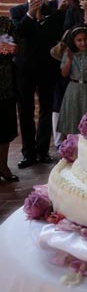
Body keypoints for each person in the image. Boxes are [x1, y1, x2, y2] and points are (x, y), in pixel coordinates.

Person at [10, 0, 62, 168]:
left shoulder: (52, 11)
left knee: (47, 110)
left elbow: (55, 35)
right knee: (25, 111)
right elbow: (17, 34)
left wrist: (42, 20)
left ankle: (42, 150)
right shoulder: (17, 11)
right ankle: (28, 153)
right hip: (24, 69)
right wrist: (31, 16)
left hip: (47, 67)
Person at [48, 0, 79, 149]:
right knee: (59, 99)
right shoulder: (52, 5)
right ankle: (60, 143)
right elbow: (49, 32)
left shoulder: (80, 6)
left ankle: (76, 139)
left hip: (77, 59)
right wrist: (59, 12)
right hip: (58, 59)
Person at [57, 27, 87, 136]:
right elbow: (64, 73)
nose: (83, 43)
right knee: (72, 121)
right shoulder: (69, 53)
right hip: (74, 90)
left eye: (86, 39)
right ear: (73, 41)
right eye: (79, 40)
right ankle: (71, 149)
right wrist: (69, 60)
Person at [0, 20, 19, 182]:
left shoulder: (6, 23)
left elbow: (17, 45)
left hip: (5, 83)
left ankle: (3, 166)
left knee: (5, 128)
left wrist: (14, 49)